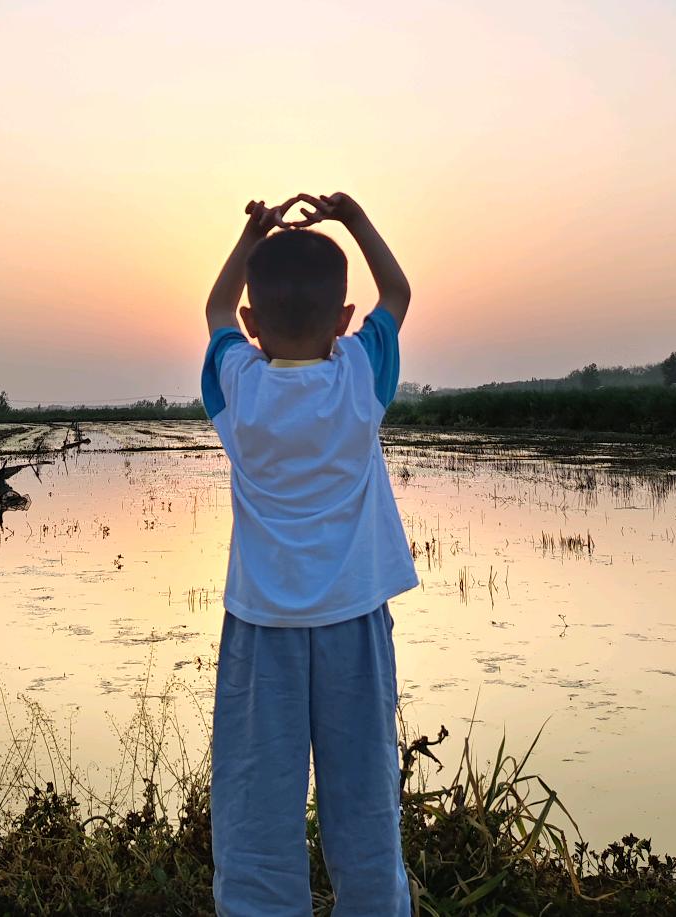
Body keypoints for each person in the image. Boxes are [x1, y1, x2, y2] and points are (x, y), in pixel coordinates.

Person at [200, 191, 419, 916]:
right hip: (354, 621)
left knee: (255, 812)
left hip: (261, 630)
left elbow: (212, 313)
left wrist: (252, 234)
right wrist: (354, 218)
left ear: (252, 324)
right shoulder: (361, 374)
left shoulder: (238, 385)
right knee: (365, 806)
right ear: (344, 321)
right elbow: (398, 291)